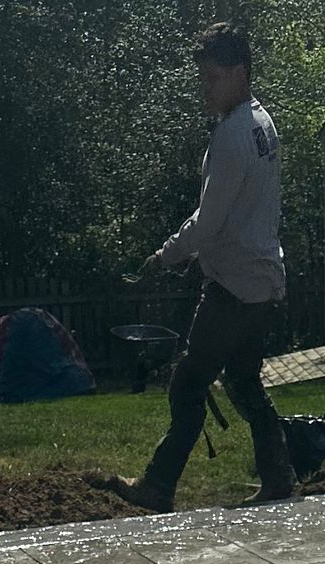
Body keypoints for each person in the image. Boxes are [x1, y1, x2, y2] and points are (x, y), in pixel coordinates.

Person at [104, 24, 296, 513]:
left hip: (232, 288)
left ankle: (157, 486)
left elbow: (209, 221)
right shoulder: (262, 123)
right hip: (263, 280)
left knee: (189, 382)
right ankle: (279, 478)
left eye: (211, 79)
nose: (204, 89)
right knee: (244, 381)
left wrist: (163, 256)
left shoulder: (232, 137)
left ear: (237, 73)